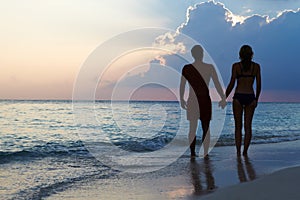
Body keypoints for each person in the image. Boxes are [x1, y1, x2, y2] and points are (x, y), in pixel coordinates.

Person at [180, 45, 226, 158]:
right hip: (204, 99)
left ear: (192, 54)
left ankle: (192, 153)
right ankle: (205, 153)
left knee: (192, 127)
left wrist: (181, 98)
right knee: (206, 127)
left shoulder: (187, 68)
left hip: (193, 100)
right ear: (202, 54)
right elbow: (217, 84)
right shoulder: (209, 67)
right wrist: (223, 98)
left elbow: (182, 85)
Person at [225, 45, 261, 156]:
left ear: (240, 54)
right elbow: (259, 85)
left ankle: (238, 152)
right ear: (251, 54)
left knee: (238, 127)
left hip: (238, 97)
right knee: (248, 126)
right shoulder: (256, 67)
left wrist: (224, 97)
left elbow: (232, 83)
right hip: (250, 97)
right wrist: (256, 99)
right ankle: (245, 151)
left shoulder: (236, 66)